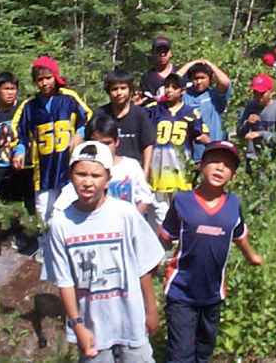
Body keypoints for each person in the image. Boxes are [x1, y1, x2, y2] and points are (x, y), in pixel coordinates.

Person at [49, 141, 164, 363]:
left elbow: (144, 267)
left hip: (131, 323)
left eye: (96, 175)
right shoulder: (61, 223)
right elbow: (64, 282)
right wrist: (77, 324)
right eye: (81, 174)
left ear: (108, 180)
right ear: (71, 176)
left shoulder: (125, 214)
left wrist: (151, 309)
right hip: (93, 328)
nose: (88, 182)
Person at [159, 140, 263, 363]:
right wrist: (146, 265)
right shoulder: (182, 201)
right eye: (214, 161)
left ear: (233, 175)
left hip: (213, 293)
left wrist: (251, 256)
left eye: (227, 165)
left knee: (204, 349)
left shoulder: (233, 203)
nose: (219, 168)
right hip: (181, 291)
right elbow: (164, 238)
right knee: (180, 354)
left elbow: (239, 233)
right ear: (200, 165)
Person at [11, 56, 92, 225]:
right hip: (44, 169)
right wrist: (19, 151)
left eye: (48, 78)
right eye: (40, 79)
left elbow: (88, 117)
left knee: (70, 207)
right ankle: (45, 247)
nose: (45, 83)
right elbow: (19, 132)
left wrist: (80, 133)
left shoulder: (68, 98)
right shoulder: (29, 107)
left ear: (55, 76)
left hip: (68, 165)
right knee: (45, 211)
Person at [54, 115, 153, 214]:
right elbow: (61, 206)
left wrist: (131, 221)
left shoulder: (131, 166)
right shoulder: (84, 170)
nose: (101, 148)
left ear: (117, 141)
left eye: (106, 143)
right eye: (95, 143)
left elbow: (145, 198)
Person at [146, 73, 209, 227]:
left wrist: (205, 140)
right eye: (167, 86)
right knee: (159, 208)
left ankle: (178, 241)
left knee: (182, 207)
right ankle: (162, 243)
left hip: (181, 169)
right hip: (158, 168)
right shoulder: (154, 110)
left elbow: (203, 134)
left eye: (174, 87)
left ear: (182, 91)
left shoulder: (190, 113)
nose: (169, 90)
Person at [0, 72, 35, 214]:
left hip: (27, 165)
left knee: (33, 204)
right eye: (6, 89)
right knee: (10, 208)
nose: (10, 93)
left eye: (13, 89)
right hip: (4, 168)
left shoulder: (25, 109)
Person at [93, 69, 155, 177]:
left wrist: (144, 173)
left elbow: (148, 144)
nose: (119, 93)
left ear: (130, 90)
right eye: (114, 89)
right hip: (104, 170)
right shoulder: (100, 114)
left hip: (133, 171)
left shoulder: (139, 114)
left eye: (123, 88)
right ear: (108, 91)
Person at [177, 59, 232, 162]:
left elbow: (225, 82)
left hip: (212, 151)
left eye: (202, 78)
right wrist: (190, 64)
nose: (198, 82)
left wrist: (210, 64)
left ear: (210, 78)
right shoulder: (185, 95)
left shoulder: (214, 95)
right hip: (188, 153)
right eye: (195, 78)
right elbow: (173, 81)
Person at [236, 74, 276, 163]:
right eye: (255, 93)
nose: (258, 97)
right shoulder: (251, 107)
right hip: (254, 157)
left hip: (274, 159)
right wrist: (247, 123)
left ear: (271, 92)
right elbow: (240, 134)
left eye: (262, 93)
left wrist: (261, 134)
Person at [139, 36, 177, 103]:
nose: (162, 54)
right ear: (153, 53)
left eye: (165, 51)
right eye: (159, 51)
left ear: (171, 53)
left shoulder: (180, 72)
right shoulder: (147, 78)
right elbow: (146, 102)